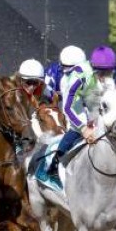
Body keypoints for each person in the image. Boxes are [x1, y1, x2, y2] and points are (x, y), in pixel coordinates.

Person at [37, 45, 99, 189]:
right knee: (73, 133)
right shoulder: (69, 80)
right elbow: (68, 109)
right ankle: (53, 167)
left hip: (89, 116)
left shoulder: (89, 75)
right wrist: (83, 128)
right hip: (75, 119)